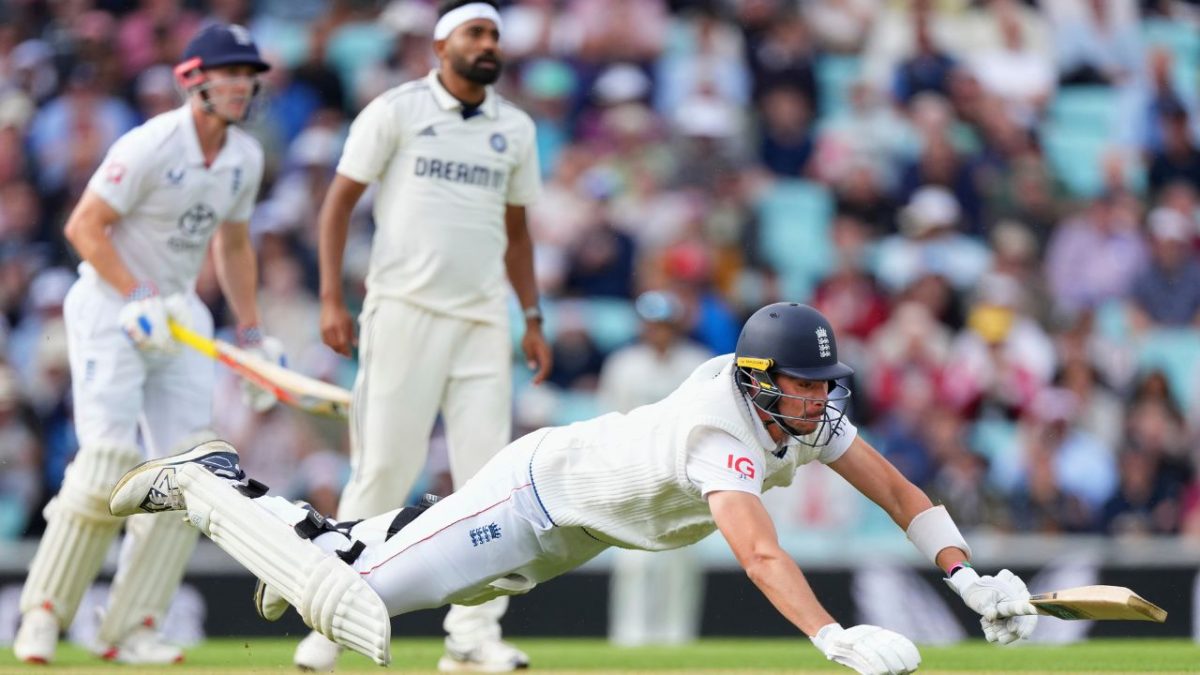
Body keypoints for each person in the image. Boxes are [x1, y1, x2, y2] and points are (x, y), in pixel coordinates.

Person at [111, 303, 1039, 675]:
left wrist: (965, 577)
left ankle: (296, 525)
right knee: (351, 607)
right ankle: (208, 483)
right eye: (801, 384)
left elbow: (900, 490)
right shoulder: (722, 424)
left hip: (572, 533)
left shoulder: (808, 411)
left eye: (823, 385)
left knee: (349, 559)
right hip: (531, 499)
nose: (818, 399)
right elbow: (757, 550)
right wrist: (832, 637)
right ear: (761, 378)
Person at [13, 23, 281, 665]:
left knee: (190, 473)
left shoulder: (245, 157)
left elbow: (235, 245)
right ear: (194, 79)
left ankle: (133, 624)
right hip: (111, 304)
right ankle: (43, 614)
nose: (241, 84)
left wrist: (249, 335)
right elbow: (84, 225)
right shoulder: (153, 142)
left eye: (248, 73)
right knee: (107, 460)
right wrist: (136, 295)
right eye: (229, 72)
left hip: (180, 314)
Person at [303, 0, 552, 671]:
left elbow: (519, 233)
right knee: (381, 469)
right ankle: (330, 623)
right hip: (402, 311)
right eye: (475, 32)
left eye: (495, 34)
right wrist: (331, 296)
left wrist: (531, 317)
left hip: (480, 321)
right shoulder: (396, 110)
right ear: (441, 45)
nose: (489, 44)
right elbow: (337, 203)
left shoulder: (517, 128)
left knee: (486, 485)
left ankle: (472, 639)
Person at [597, 290, 713, 646]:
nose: (658, 332)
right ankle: (629, 637)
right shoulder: (623, 365)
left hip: (684, 476)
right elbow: (608, 421)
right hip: (635, 472)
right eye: (652, 325)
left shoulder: (699, 364)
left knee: (680, 562)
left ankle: (677, 637)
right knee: (634, 563)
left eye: (663, 324)